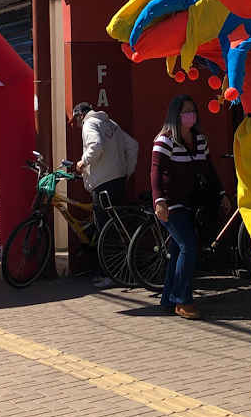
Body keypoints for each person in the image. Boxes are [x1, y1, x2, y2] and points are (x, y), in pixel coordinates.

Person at [150, 94, 229, 319]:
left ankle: (168, 299)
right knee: (188, 246)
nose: (189, 115)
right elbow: (155, 172)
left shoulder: (200, 140)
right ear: (175, 114)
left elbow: (208, 169)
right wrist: (159, 201)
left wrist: (222, 193)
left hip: (189, 201)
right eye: (184, 111)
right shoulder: (164, 140)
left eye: (192, 110)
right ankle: (183, 301)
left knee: (178, 250)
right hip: (170, 203)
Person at [71, 101, 139, 289]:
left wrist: (82, 161)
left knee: (104, 229)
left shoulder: (89, 124)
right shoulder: (112, 124)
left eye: (75, 121)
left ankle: (107, 275)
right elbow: (133, 145)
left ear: (80, 116)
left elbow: (97, 146)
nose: (77, 125)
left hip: (102, 185)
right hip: (118, 182)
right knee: (112, 227)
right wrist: (127, 171)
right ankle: (118, 269)